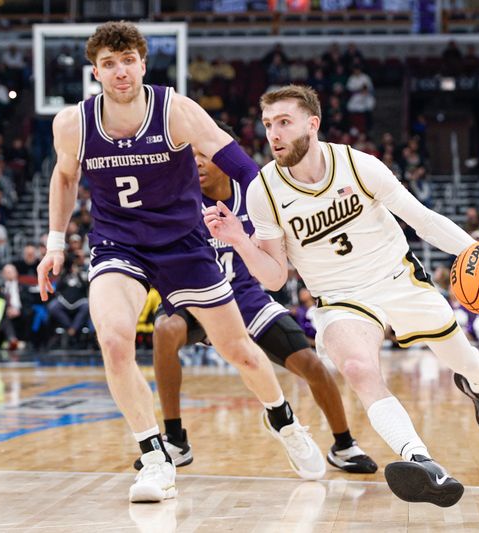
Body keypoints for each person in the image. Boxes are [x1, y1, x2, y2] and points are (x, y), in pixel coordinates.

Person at [36, 23, 323, 504]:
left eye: (128, 61)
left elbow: (244, 168)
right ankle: (155, 456)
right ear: (95, 72)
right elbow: (65, 178)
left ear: (143, 64)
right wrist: (55, 244)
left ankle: (283, 420)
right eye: (109, 63)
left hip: (184, 243)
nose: (120, 71)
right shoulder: (72, 124)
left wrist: (259, 225)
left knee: (240, 350)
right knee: (112, 339)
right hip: (117, 243)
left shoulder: (176, 111)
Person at [204, 85, 479, 508]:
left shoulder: (358, 165)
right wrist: (239, 239)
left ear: (313, 124)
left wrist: (476, 250)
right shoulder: (264, 191)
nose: (273, 134)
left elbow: (421, 219)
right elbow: (274, 278)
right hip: (339, 297)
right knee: (356, 366)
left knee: (464, 360)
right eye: (269, 124)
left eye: (284, 122)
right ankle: (421, 461)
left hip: (396, 278)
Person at [136, 120, 377, 475]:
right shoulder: (178, 201)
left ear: (224, 157)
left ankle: (343, 445)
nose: (197, 163)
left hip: (246, 297)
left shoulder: (253, 191)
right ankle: (175, 439)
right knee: (165, 329)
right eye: (191, 157)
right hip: (197, 298)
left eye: (205, 154)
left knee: (311, 364)